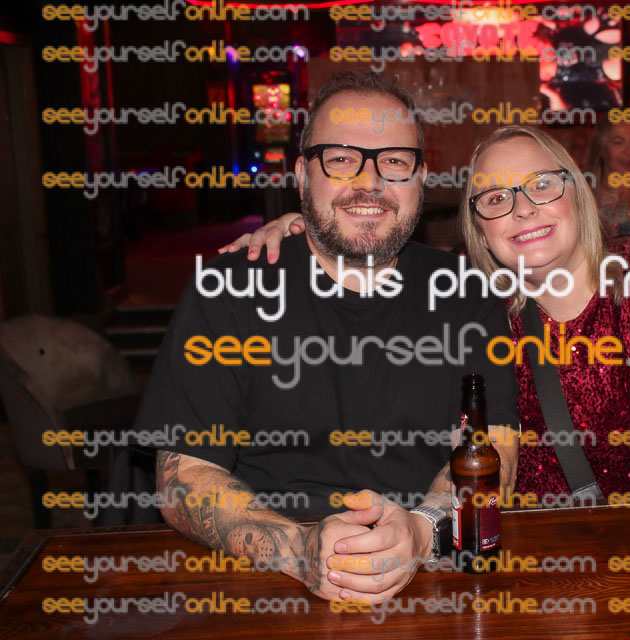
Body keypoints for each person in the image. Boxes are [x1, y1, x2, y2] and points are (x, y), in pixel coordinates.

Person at [228, 125, 630, 497]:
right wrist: (305, 232)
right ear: (480, 226)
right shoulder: (465, 304)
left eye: (541, 185)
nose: (523, 210)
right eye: (497, 198)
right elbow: (362, 269)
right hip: (531, 571)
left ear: (576, 189)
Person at [137, 71, 519, 604]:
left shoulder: (467, 293)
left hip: (434, 575)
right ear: (302, 175)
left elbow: (494, 446)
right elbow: (183, 477)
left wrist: (421, 531)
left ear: (421, 177)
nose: (370, 181)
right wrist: (298, 550)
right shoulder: (226, 290)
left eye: (394, 161)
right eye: (341, 159)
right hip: (265, 582)